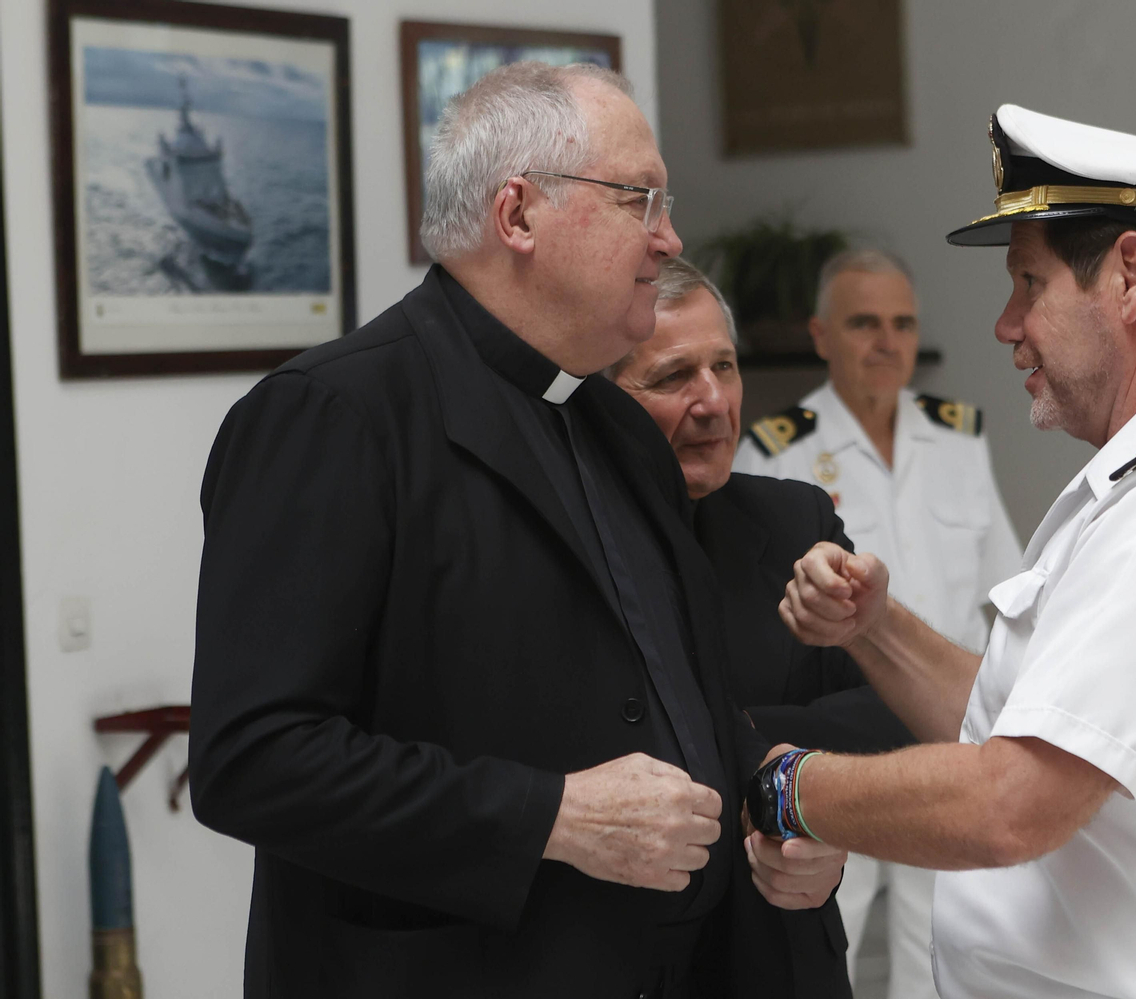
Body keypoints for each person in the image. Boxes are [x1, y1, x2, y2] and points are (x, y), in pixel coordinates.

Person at [187, 62, 841, 999]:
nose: (670, 238)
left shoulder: (613, 424)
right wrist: (552, 815)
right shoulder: (336, 416)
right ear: (519, 214)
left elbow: (680, 691)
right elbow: (252, 760)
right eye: (640, 200)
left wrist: (777, 806)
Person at [762, 104, 1136, 999]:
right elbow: (1019, 721)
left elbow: (1012, 801)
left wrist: (793, 785)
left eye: (1030, 284)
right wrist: (878, 629)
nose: (1005, 324)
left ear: (1131, 276)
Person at [607, 255, 917, 998]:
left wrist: (719, 737)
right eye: (674, 376)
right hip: (624, 954)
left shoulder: (792, 521)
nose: (713, 401)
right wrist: (790, 745)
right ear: (600, 399)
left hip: (782, 950)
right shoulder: (571, 539)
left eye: (725, 366)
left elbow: (889, 710)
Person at [734, 248, 1022, 999]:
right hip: (835, 739)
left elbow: (1005, 591)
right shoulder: (775, 451)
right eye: (864, 322)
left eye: (902, 323)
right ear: (821, 334)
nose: (887, 341)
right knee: (828, 930)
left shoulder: (958, 439)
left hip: (941, 737)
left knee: (941, 944)